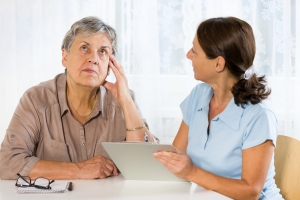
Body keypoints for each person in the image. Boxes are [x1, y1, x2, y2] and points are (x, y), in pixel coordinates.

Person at [0, 16, 157, 180]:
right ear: (65, 57)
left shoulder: (125, 101)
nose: (94, 59)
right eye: (84, 48)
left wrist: (126, 102)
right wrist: (78, 170)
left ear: (110, 66)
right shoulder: (36, 99)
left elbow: (149, 166)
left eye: (102, 51)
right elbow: (7, 162)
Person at [154, 17, 283, 199]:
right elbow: (175, 158)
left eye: (195, 51)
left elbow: (251, 191)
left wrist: (191, 173)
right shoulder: (199, 95)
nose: (188, 55)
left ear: (218, 64)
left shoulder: (259, 116)